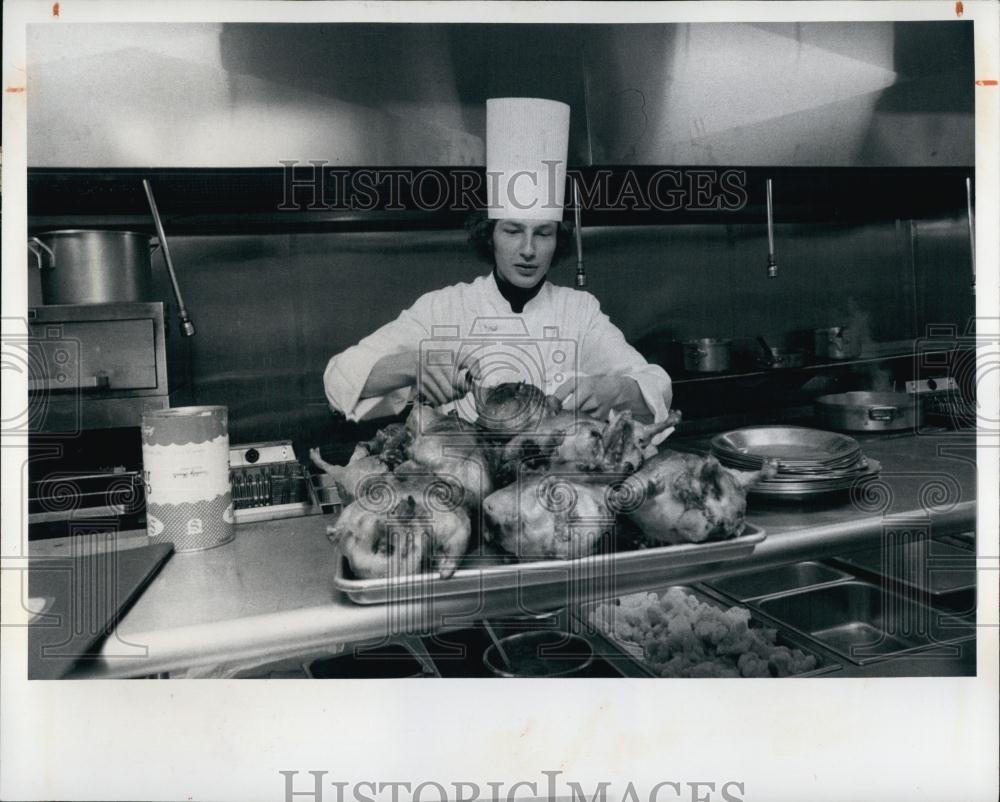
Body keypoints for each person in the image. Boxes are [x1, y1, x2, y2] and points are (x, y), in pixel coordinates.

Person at [324, 97, 672, 433]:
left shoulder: (579, 312)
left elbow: (655, 386)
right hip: (466, 485)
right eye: (513, 230)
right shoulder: (443, 308)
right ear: (490, 234)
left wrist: (618, 391)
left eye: (544, 233)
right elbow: (339, 377)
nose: (528, 250)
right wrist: (414, 365)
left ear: (558, 239)